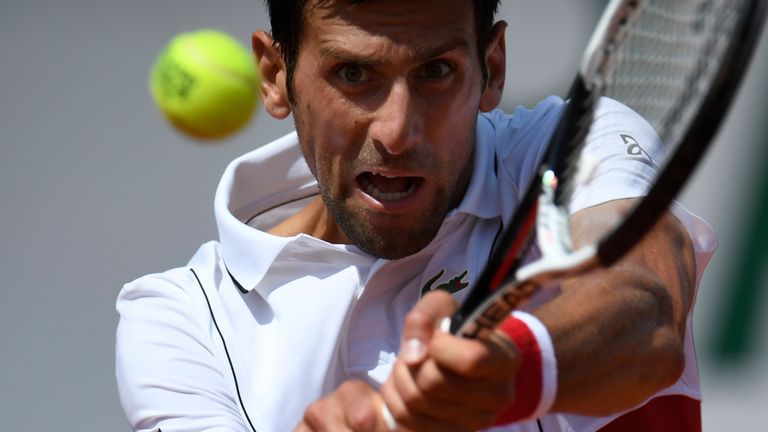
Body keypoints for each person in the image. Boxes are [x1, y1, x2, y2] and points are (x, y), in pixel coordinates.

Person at [115, 1, 716, 431]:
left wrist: (506, 371)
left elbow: (644, 309)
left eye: (435, 72)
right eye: (354, 75)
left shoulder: (575, 145)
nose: (397, 132)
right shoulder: (178, 321)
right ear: (276, 76)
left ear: (492, 67)